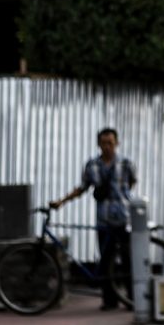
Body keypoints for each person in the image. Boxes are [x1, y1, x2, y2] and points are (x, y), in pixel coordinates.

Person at [50, 127, 137, 311]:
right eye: (104, 143)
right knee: (105, 260)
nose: (107, 147)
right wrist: (61, 201)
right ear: (98, 144)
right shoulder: (92, 165)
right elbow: (82, 188)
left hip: (124, 219)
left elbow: (132, 182)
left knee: (128, 260)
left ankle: (132, 299)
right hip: (103, 220)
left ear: (117, 143)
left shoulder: (126, 163)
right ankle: (109, 301)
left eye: (110, 143)